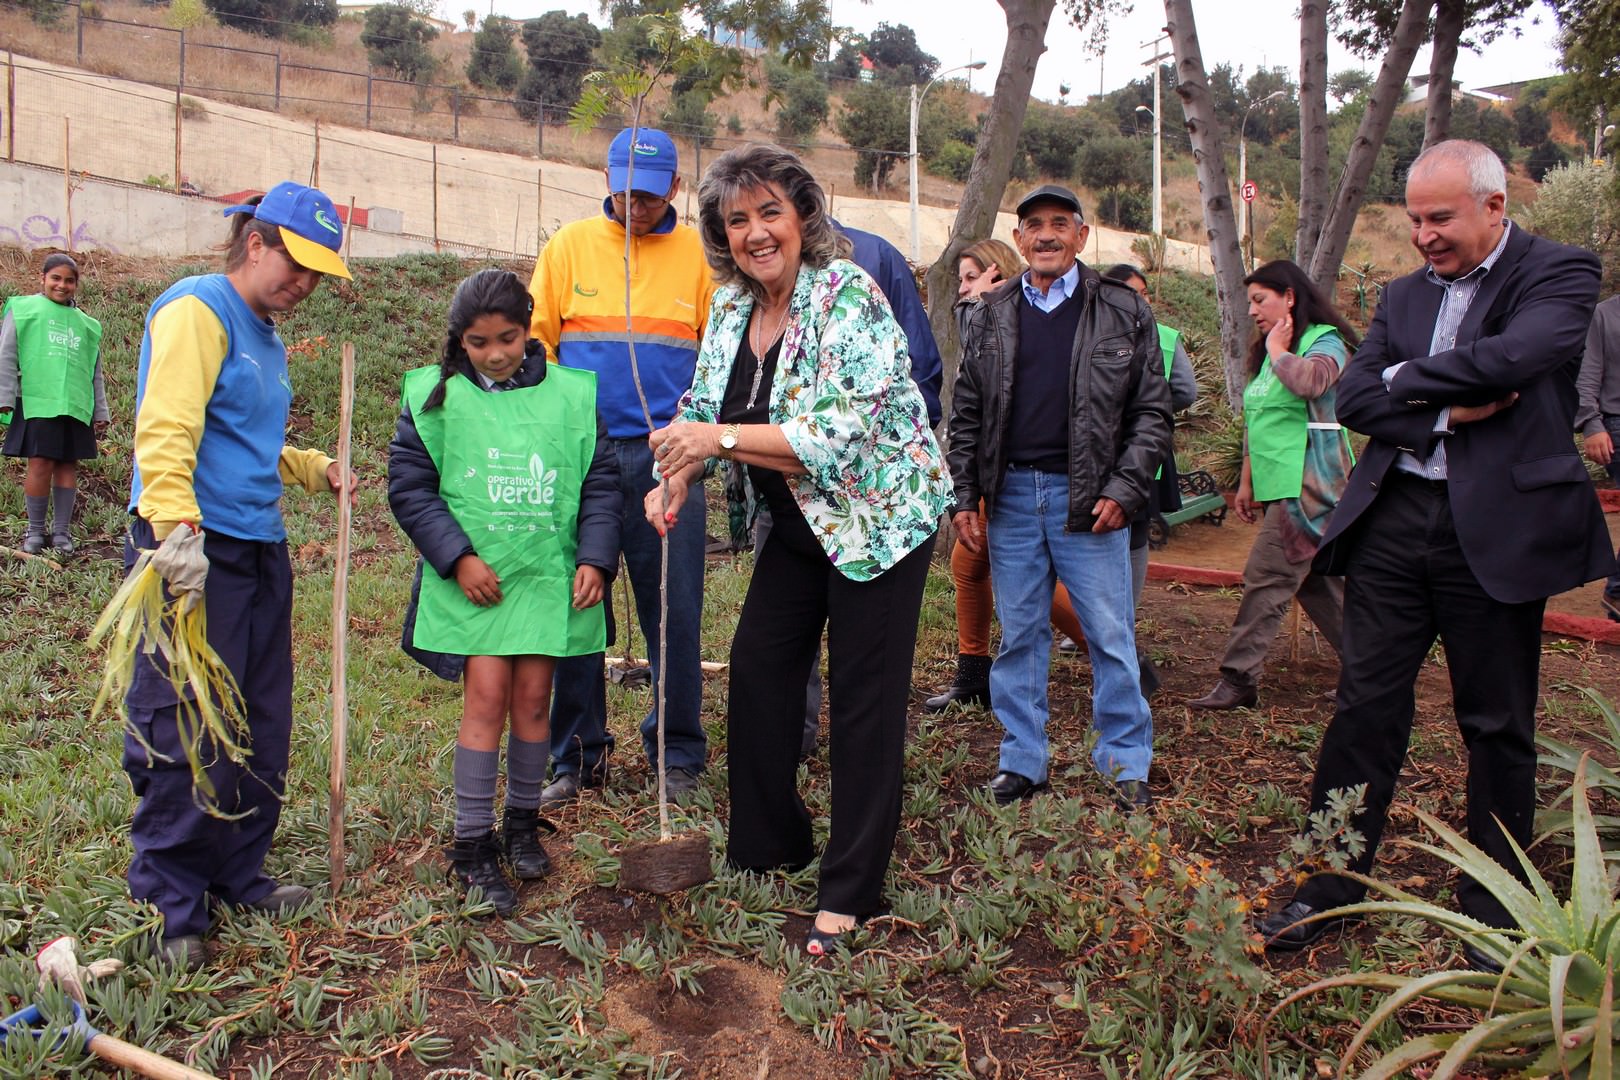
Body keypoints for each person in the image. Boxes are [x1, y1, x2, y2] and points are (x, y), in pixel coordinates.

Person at [1257, 141, 1611, 969]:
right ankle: (1327, 885)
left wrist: (1404, 378)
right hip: (1396, 517)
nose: (1424, 236)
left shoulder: (1559, 272)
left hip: (1494, 528)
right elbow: (1354, 393)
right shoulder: (1403, 293)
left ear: (1494, 205)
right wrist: (1446, 411)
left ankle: (1497, 908)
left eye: (1440, 217)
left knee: (1496, 722)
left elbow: (1520, 357)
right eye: (1414, 219)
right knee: (1363, 706)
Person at [646, 144, 949, 954]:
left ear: (804, 217)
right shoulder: (731, 306)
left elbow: (843, 432)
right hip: (798, 522)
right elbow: (699, 407)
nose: (754, 233)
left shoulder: (845, 292)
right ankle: (771, 842)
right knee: (758, 668)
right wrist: (672, 474)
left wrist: (718, 437)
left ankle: (853, 891)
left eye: (769, 212)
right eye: (736, 220)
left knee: (861, 700)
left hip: (878, 519)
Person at [123, 181, 356, 970]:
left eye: (318, 274)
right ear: (255, 241)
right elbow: (169, 425)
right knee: (186, 722)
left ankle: (237, 872)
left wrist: (311, 466)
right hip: (195, 547)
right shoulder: (198, 307)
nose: (305, 285)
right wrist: (172, 533)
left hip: (258, 545)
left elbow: (247, 438)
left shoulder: (265, 333)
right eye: (298, 264)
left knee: (257, 719)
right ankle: (173, 904)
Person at [388, 269, 621, 917]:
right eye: (479, 342)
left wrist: (598, 559)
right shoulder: (437, 397)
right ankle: (471, 843)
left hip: (544, 579)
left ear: (530, 328)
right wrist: (457, 557)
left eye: (508, 338)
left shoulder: (571, 397)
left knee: (534, 702)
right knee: (487, 697)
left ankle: (520, 823)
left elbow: (600, 483)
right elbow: (409, 486)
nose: (494, 354)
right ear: (459, 340)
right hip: (478, 586)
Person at [948, 184, 1172, 810]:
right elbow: (966, 412)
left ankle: (1126, 761)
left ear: (1081, 235)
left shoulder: (1123, 310)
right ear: (1018, 241)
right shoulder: (991, 313)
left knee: (1109, 634)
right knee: (1021, 634)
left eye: (1058, 224)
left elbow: (1152, 414)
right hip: (1012, 496)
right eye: (1032, 226)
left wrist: (1125, 489)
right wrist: (965, 494)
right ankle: (1023, 759)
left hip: (1090, 503)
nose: (1045, 235)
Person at [526, 127, 714, 806]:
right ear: (605, 178)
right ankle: (578, 757)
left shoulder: (699, 255)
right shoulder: (568, 247)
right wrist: (554, 431)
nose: (636, 204)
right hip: (582, 456)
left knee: (675, 605)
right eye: (625, 189)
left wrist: (688, 444)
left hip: (671, 457)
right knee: (576, 604)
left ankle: (678, 751)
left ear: (675, 188)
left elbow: (715, 357)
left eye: (651, 191)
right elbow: (536, 344)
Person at [754, 217, 944, 757]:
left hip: (872, 505)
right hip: (788, 495)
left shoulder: (873, 260)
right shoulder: (749, 287)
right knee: (776, 650)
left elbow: (920, 371)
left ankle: (858, 789)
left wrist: (883, 445)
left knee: (864, 666)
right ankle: (799, 740)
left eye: (775, 211)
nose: (762, 231)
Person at [1188, 260, 1357, 710]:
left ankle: (1239, 679)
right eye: (1250, 302)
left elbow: (1312, 382)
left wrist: (1280, 351)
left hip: (1311, 485)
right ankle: (1372, 670)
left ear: (1291, 297)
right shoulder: (1269, 351)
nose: (1254, 311)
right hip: (1280, 481)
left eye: (1260, 300)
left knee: (1266, 577)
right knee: (1316, 582)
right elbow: (1258, 420)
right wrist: (1245, 482)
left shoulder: (1325, 342)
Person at [925, 238, 1023, 713]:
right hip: (985, 463)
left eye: (973, 277)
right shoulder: (982, 316)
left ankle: (1119, 655)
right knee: (971, 564)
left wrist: (986, 300)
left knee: (1023, 574)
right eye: (962, 278)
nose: (964, 288)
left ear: (1000, 274)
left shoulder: (1009, 315)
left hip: (1011, 467)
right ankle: (973, 676)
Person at [0, 253, 110, 554]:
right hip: (38, 399)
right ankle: (35, 532)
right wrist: (4, 397)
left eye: (69, 280)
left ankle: (61, 533)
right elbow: (6, 354)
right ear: (43, 278)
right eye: (56, 278)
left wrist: (100, 410)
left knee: (66, 465)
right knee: (40, 462)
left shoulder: (87, 325)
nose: (62, 285)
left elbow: (94, 372)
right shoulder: (23, 310)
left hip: (75, 403)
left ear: (77, 284)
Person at [1576, 293, 1620, 620]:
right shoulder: (1604, 315)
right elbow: (1587, 373)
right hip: (1616, 424)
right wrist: (1591, 425)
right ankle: (1616, 592)